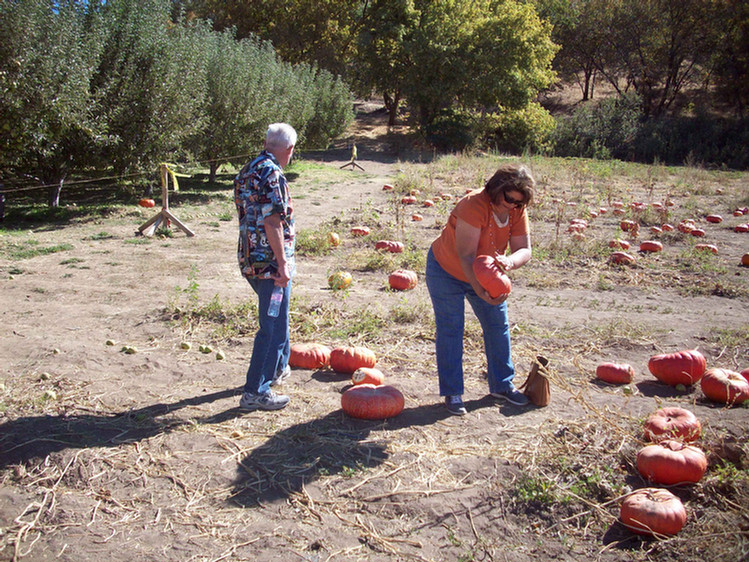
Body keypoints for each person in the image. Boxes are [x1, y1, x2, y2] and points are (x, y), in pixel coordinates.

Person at [425, 164, 535, 415]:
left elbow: (524, 249)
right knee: (451, 328)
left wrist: (510, 261)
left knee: (498, 326)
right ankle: (453, 392)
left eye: (519, 203)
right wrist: (480, 289)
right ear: (497, 189)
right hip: (447, 270)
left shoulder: (518, 210)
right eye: (509, 199)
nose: (513, 206)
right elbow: (466, 255)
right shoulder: (473, 205)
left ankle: (502, 386)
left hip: (486, 271)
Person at [234, 123, 297, 411]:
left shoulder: (249, 169)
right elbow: (272, 222)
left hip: (249, 258)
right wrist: (282, 264)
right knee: (270, 325)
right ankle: (255, 392)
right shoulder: (273, 175)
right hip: (270, 264)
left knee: (279, 316)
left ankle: (276, 369)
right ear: (289, 149)